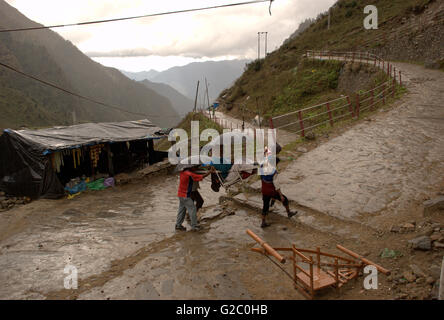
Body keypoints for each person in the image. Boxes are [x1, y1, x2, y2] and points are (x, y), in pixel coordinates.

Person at [260, 156, 297, 228]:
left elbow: (261, 177)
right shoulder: (274, 172)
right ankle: (289, 213)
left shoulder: (262, 166)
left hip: (264, 189)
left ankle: (263, 222)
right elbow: (276, 185)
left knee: (265, 206)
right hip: (271, 190)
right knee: (285, 199)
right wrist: (280, 195)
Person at [176, 166, 213, 232]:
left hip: (180, 194)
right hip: (186, 195)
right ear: (190, 167)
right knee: (192, 209)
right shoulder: (189, 174)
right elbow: (201, 177)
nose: (195, 168)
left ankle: (178, 225)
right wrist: (209, 172)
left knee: (181, 210)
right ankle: (194, 226)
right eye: (194, 167)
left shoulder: (182, 172)